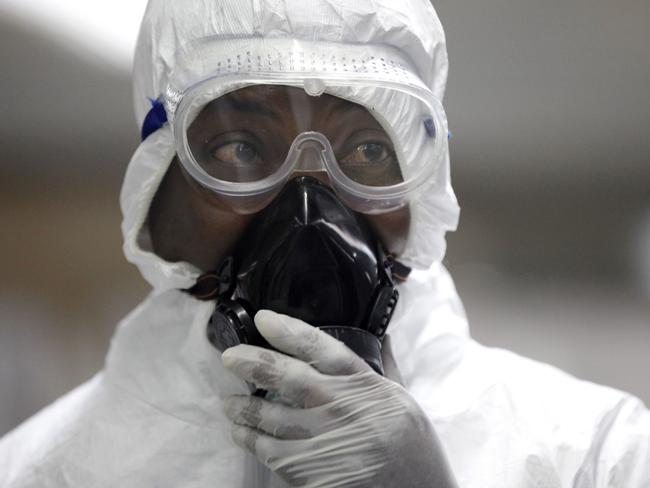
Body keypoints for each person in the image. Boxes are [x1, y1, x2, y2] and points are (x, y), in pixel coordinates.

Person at [1, 1, 649, 487]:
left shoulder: (592, 453)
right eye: (241, 149)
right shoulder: (44, 472)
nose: (309, 207)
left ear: (418, 191)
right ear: (157, 187)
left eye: (367, 150)